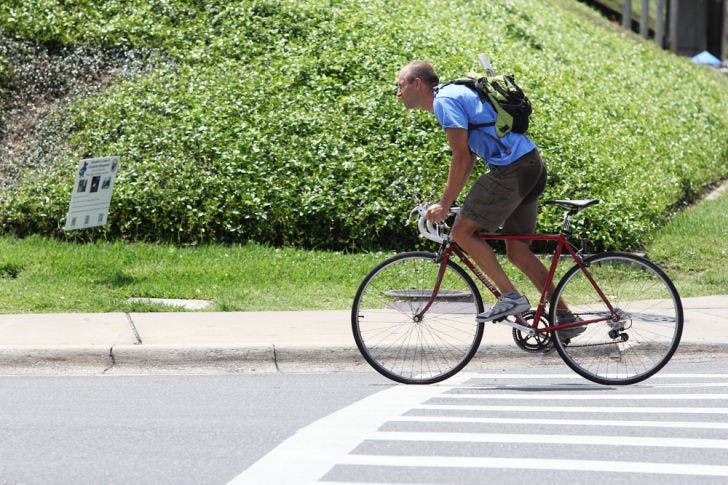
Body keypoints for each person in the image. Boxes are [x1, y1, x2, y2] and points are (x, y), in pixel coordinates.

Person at [396, 60, 581, 332]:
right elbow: (467, 158)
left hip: (511, 169)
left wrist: (445, 205)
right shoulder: (451, 95)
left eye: (400, 85)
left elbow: (462, 159)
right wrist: (451, 202)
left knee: (461, 233)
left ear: (418, 84)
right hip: (530, 163)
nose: (398, 93)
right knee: (518, 251)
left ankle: (510, 297)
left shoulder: (444, 102)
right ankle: (565, 318)